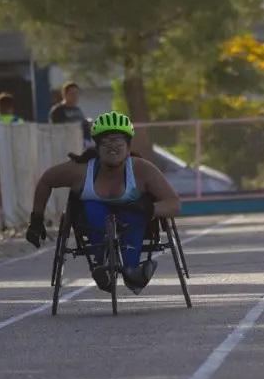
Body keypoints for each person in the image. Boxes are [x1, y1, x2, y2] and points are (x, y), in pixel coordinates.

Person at [25, 111, 181, 294]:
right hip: (94, 225)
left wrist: (149, 208)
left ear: (128, 146)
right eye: (106, 142)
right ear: (97, 147)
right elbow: (46, 180)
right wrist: (36, 219)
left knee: (137, 212)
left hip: (133, 222)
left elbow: (174, 204)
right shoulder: (80, 170)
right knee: (92, 206)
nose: (112, 147)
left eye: (117, 141)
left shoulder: (142, 169)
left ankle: (132, 271)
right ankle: (104, 266)